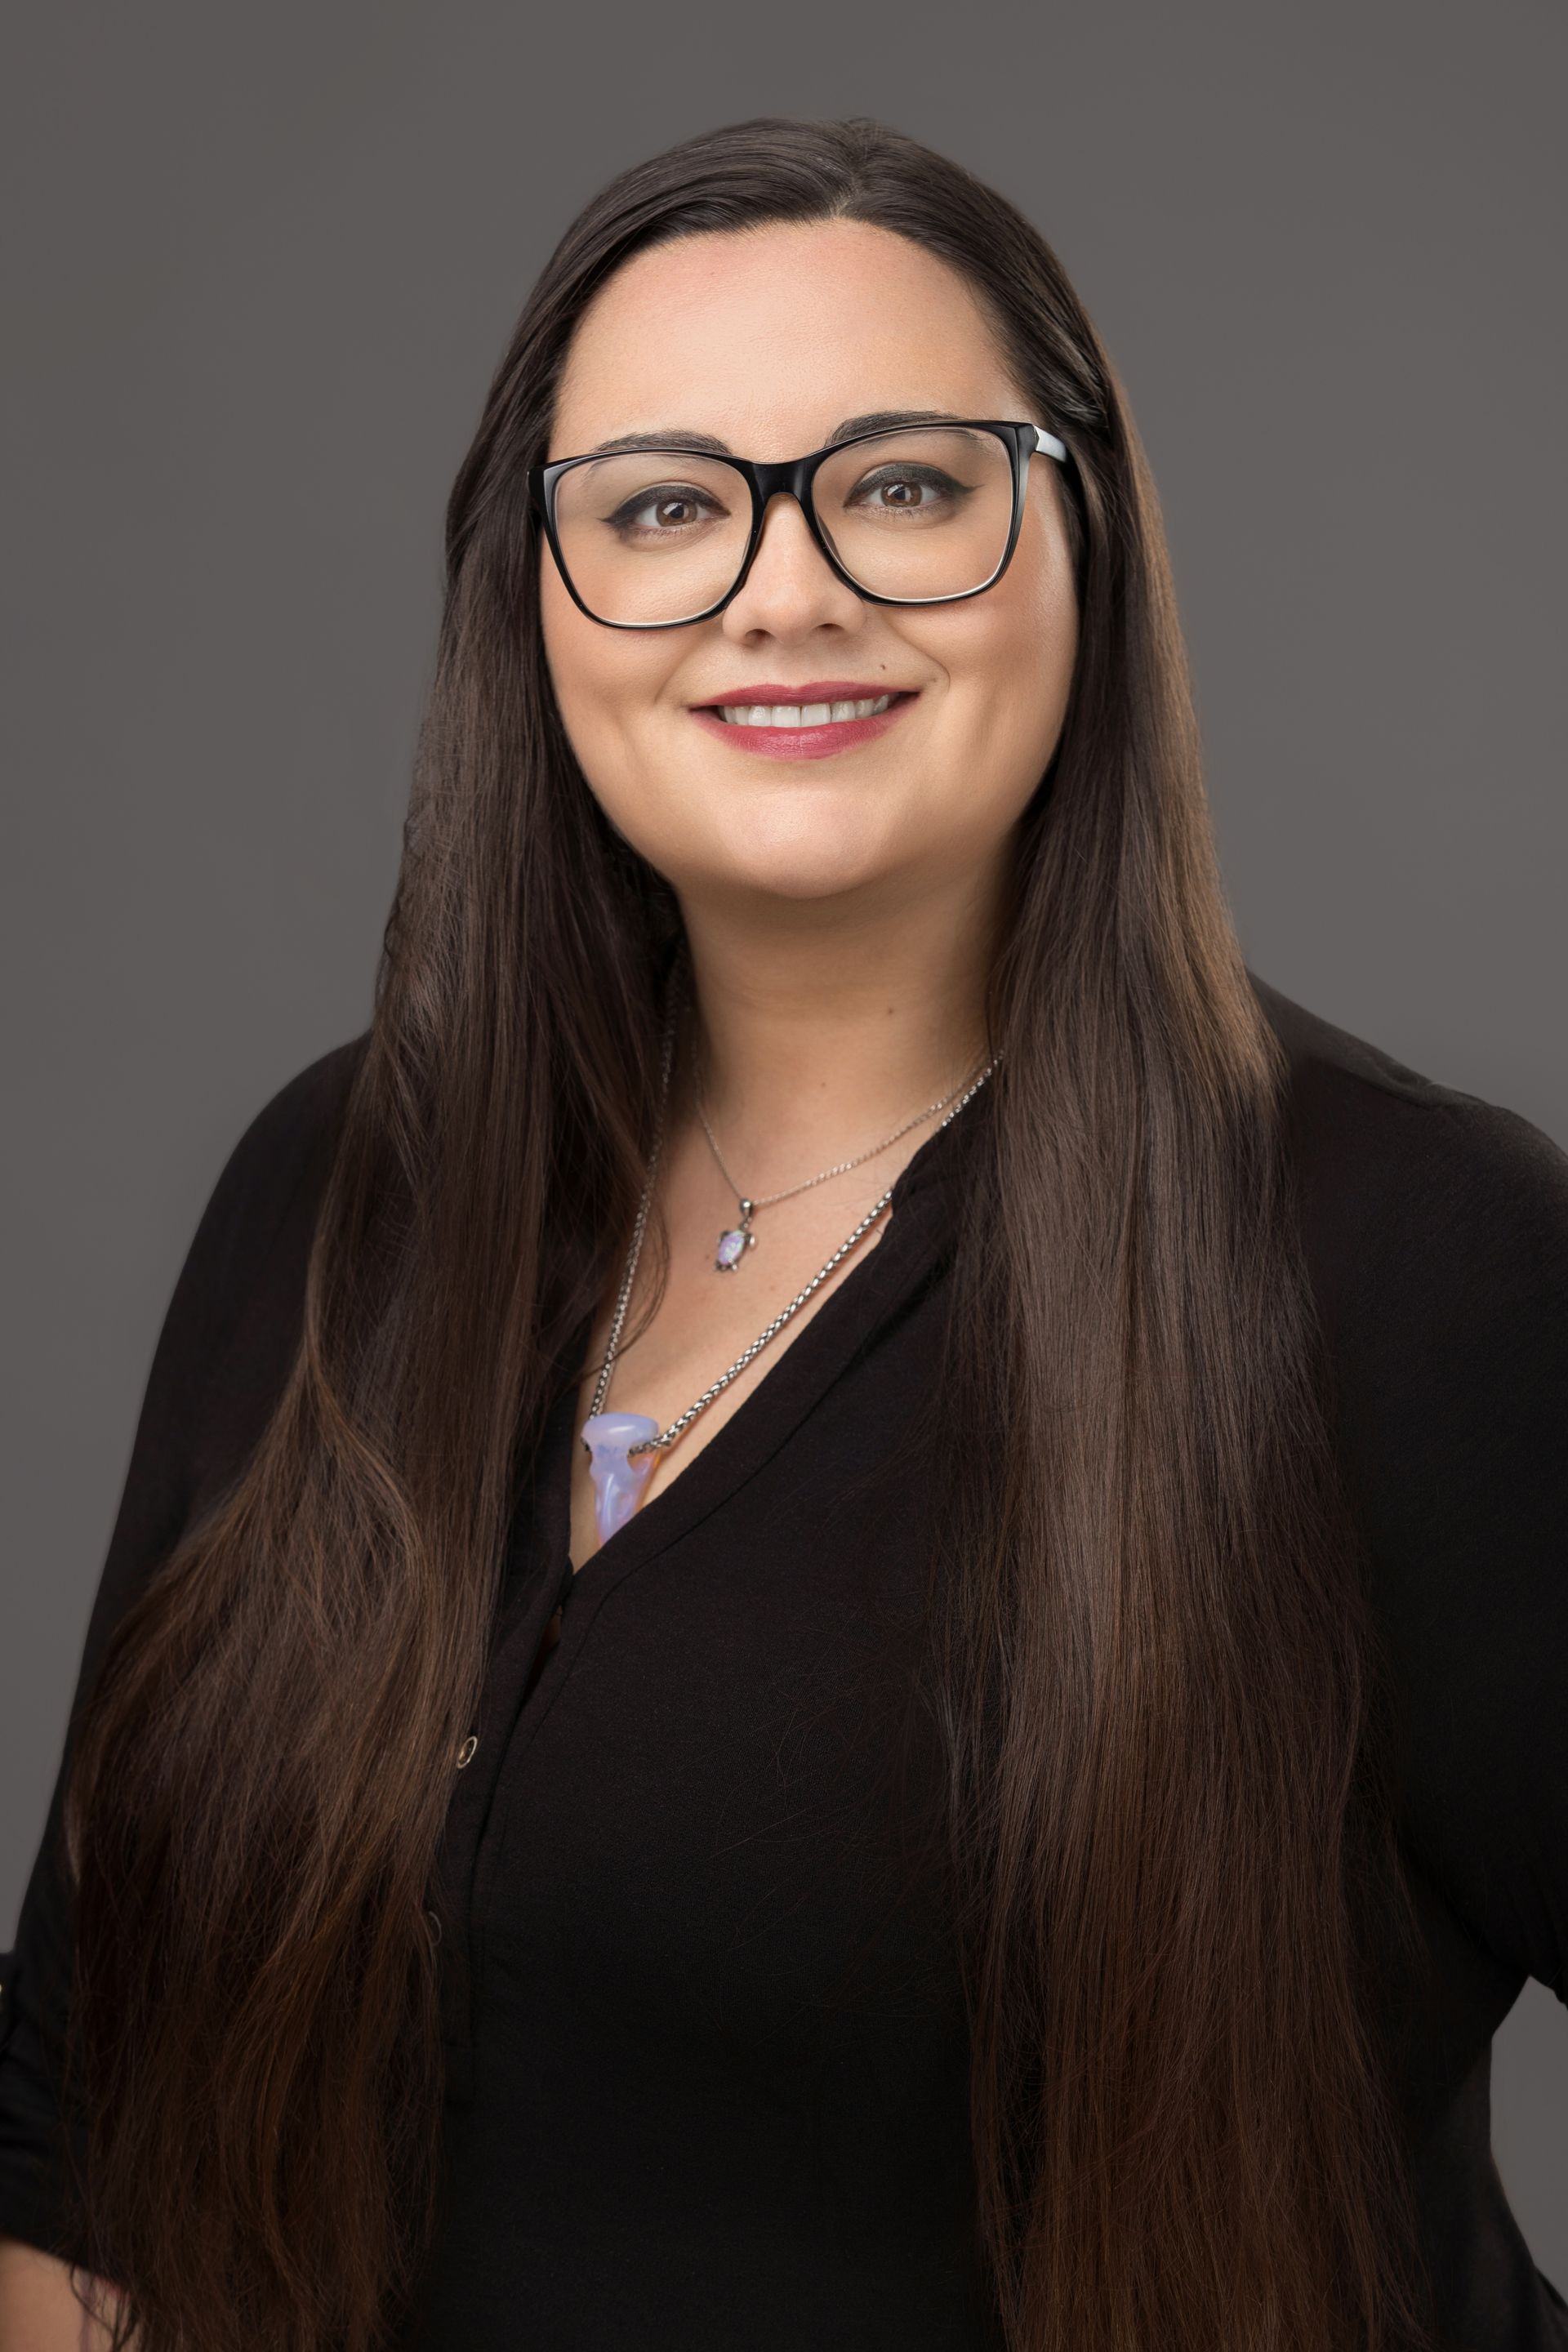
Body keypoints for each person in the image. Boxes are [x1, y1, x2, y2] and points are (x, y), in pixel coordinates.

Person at [1, 113, 1564, 2352]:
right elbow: (85, 2116)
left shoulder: (1419, 1267)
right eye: (662, 506)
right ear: (531, 598)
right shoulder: (342, 1191)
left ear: (1088, 540)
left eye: (903, 486)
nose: (782, 590)